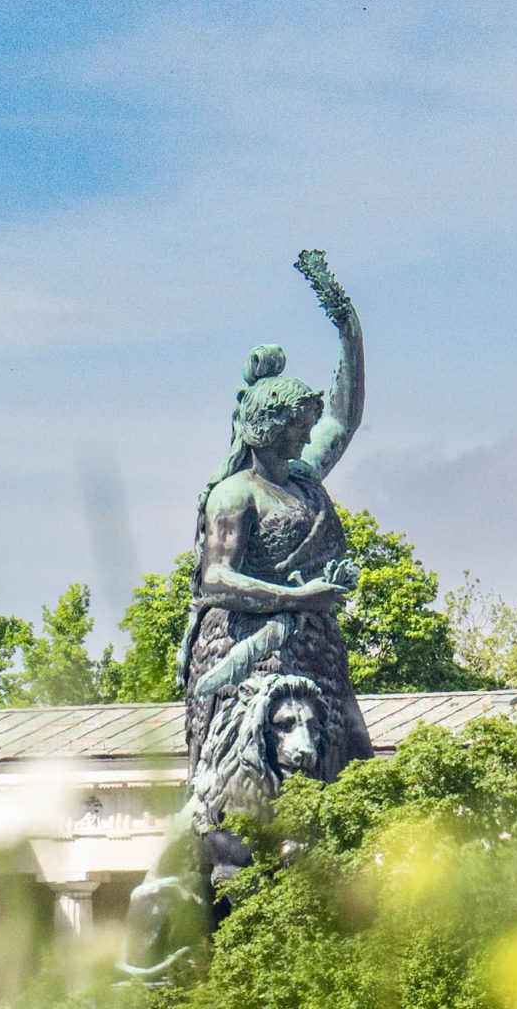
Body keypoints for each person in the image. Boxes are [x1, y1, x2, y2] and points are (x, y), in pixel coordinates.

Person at [179, 249, 373, 789]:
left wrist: (348, 329)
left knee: (346, 762)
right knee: (248, 779)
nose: (309, 435)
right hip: (245, 651)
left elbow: (345, 418)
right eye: (298, 426)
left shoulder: (303, 479)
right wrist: (299, 597)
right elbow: (215, 580)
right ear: (269, 428)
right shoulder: (234, 495)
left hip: (316, 646)